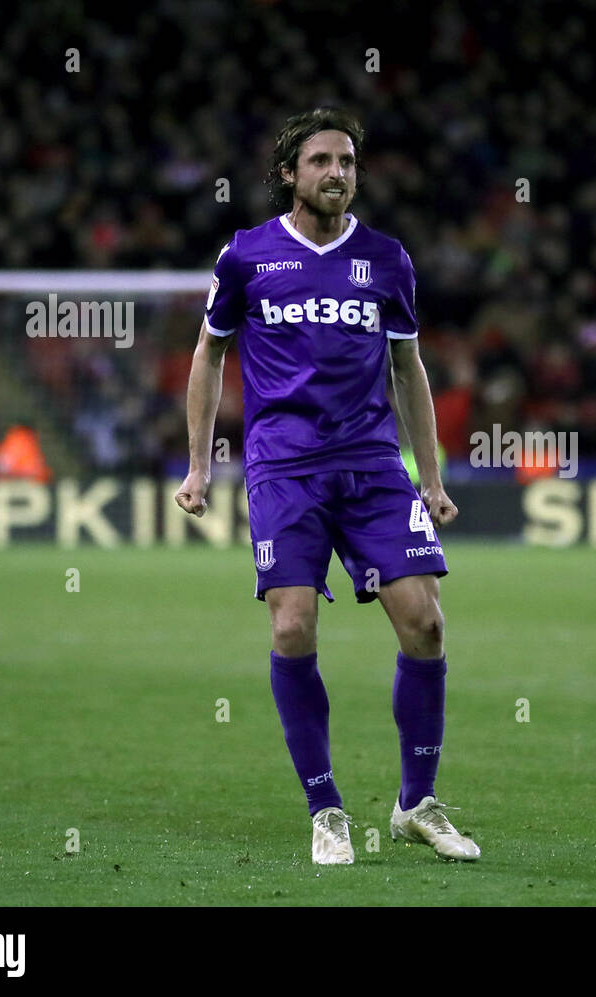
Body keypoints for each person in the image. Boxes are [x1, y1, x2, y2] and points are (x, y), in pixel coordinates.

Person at [174, 108, 479, 864]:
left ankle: (418, 803)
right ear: (290, 173)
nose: (337, 172)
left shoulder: (386, 259)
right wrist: (199, 464)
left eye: (346, 161)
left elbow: (409, 368)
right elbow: (209, 355)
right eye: (321, 161)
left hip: (374, 465)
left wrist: (430, 477)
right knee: (292, 626)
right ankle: (326, 807)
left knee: (427, 624)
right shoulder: (246, 257)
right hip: (285, 466)